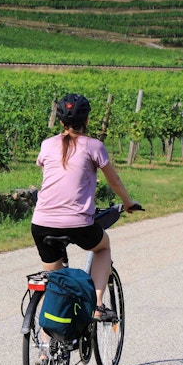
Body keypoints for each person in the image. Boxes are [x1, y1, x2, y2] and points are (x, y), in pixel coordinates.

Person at [32, 93, 137, 320]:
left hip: (41, 223)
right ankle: (98, 307)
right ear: (87, 121)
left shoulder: (47, 144)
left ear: (60, 122)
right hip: (77, 223)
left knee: (55, 284)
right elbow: (114, 181)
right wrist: (128, 203)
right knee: (102, 248)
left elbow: (49, 172)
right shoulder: (94, 146)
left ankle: (46, 349)